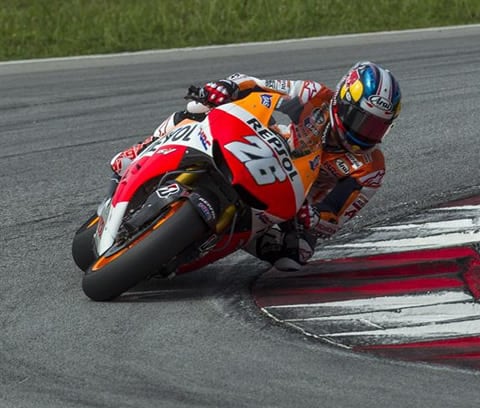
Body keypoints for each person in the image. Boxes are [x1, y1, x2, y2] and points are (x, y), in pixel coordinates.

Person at [109, 61, 402, 271]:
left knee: (294, 255)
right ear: (342, 101)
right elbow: (260, 86)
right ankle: (143, 150)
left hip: (292, 203)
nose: (365, 132)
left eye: (376, 127)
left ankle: (198, 246)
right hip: (265, 150)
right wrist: (227, 87)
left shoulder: (369, 169)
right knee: (197, 109)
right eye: (362, 120)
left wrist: (313, 216)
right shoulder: (314, 95)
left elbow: (334, 216)